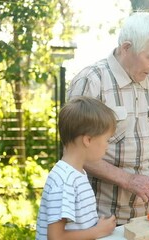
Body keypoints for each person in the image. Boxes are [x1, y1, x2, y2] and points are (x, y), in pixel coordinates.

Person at [66, 12, 149, 225]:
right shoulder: (91, 81)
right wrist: (128, 180)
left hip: (142, 217)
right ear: (126, 47)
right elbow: (75, 152)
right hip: (96, 218)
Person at [36, 96, 117, 239]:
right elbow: (55, 237)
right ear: (88, 140)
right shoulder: (65, 180)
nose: (107, 146)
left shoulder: (77, 174)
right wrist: (98, 231)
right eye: (106, 140)